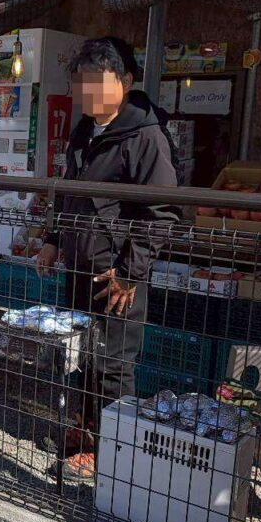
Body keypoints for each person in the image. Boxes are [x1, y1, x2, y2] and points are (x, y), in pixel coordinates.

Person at [36, 36, 179, 484]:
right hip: (80, 267)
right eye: (81, 83)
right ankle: (83, 439)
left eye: (98, 82)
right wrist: (53, 239)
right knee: (82, 357)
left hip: (118, 276)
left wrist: (130, 273)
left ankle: (113, 459)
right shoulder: (85, 130)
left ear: (126, 81)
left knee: (114, 367)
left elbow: (163, 212)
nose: (88, 92)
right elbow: (69, 191)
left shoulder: (145, 135)